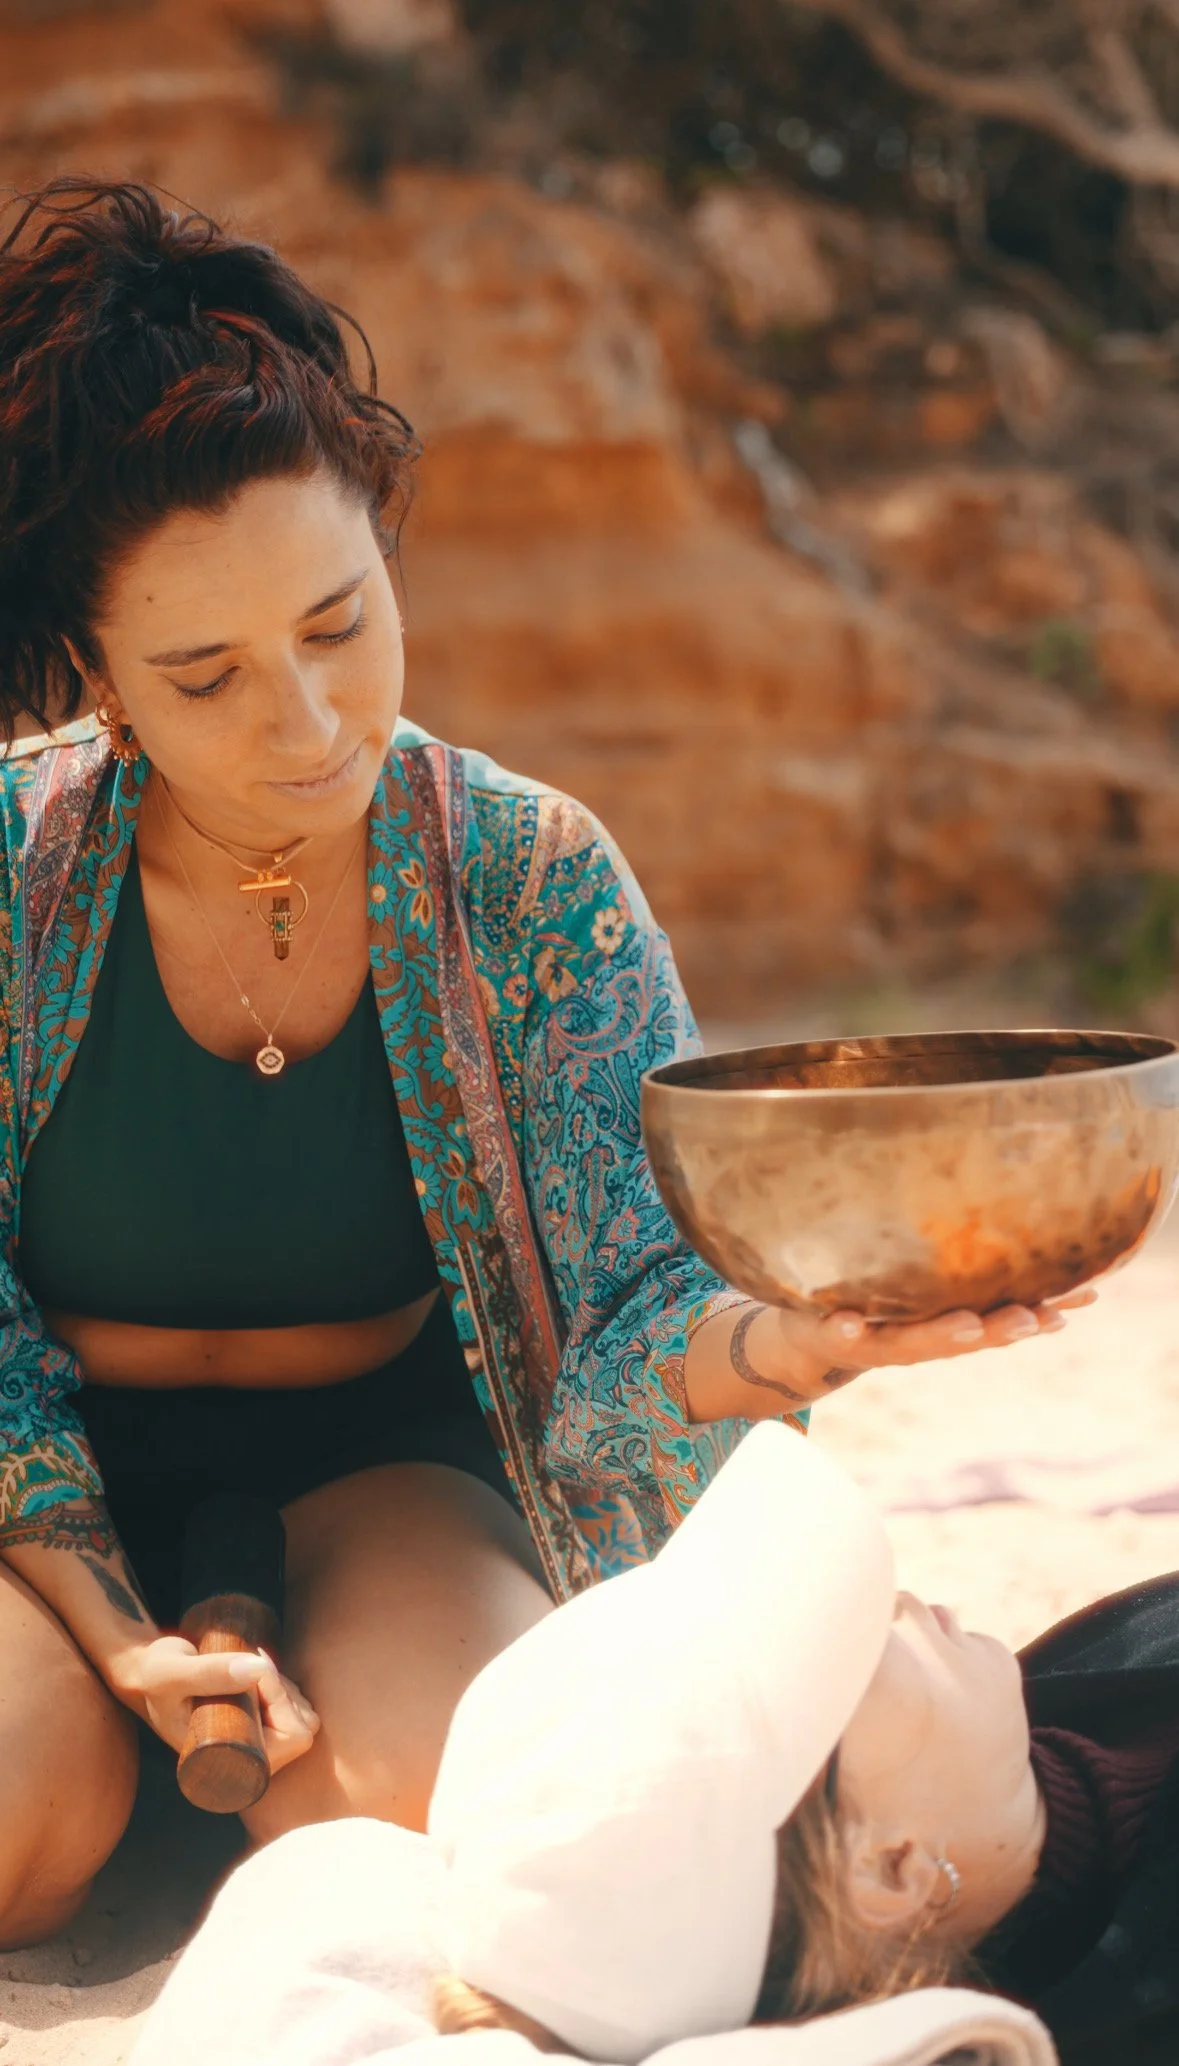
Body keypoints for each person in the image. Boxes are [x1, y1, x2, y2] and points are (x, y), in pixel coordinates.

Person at [0, 176, 1069, 1951]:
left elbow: (628, 1310)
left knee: (466, 1820)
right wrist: (116, 1629)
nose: (310, 722)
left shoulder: (526, 872)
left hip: (390, 1469)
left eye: (338, 623)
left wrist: (778, 1338)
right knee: (23, 1803)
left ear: (386, 548)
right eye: (207, 677)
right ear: (98, 682)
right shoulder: (11, 875)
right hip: (32, 1500)